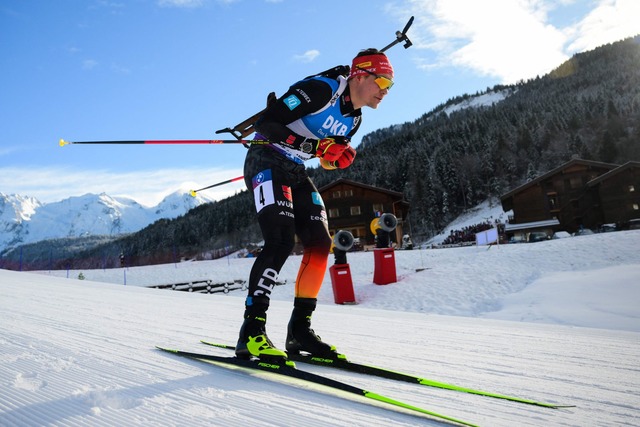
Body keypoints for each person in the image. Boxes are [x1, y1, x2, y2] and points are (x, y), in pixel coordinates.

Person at [236, 48, 395, 360]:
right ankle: (251, 332)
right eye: (382, 83)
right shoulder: (323, 89)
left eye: (390, 86)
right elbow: (267, 124)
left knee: (321, 244)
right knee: (280, 240)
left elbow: (324, 159)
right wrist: (314, 145)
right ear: (360, 75)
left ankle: (299, 331)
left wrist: (335, 159)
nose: (385, 92)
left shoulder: (356, 119)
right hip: (266, 158)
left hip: (295, 170)